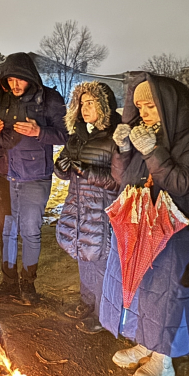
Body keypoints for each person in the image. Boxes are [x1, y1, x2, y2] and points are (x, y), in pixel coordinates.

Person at [100, 74, 189, 376]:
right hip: (145, 223)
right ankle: (145, 343)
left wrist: (154, 151)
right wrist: (123, 149)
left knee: (167, 291)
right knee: (144, 286)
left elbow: (183, 183)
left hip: (178, 228)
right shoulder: (148, 133)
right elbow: (122, 179)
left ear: (170, 105)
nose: (144, 112)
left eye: (151, 105)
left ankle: (163, 358)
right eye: (140, 106)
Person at [0, 52, 68, 305]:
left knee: (30, 231)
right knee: (8, 231)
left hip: (35, 176)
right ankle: (8, 282)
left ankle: (28, 283)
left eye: (18, 80)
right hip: (5, 175)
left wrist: (39, 131)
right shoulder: (3, 99)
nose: (14, 85)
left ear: (30, 77)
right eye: (9, 80)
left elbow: (66, 135)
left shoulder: (50, 99)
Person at [54, 82, 120, 333]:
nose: (85, 108)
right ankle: (86, 301)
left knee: (100, 259)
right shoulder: (77, 136)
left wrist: (89, 172)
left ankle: (103, 314)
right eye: (82, 103)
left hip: (101, 209)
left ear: (104, 106)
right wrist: (61, 167)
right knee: (83, 253)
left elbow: (119, 180)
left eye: (91, 102)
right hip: (78, 205)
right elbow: (61, 167)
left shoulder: (115, 136)